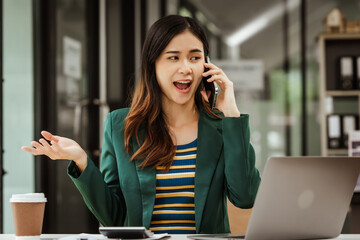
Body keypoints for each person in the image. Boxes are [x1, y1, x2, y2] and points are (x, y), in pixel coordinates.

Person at [22, 15, 261, 234]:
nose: (186, 68)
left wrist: (230, 112)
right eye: (173, 57)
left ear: (206, 66)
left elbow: (245, 197)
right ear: (153, 65)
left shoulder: (221, 127)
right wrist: (81, 161)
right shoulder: (120, 125)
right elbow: (113, 218)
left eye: (195, 57)